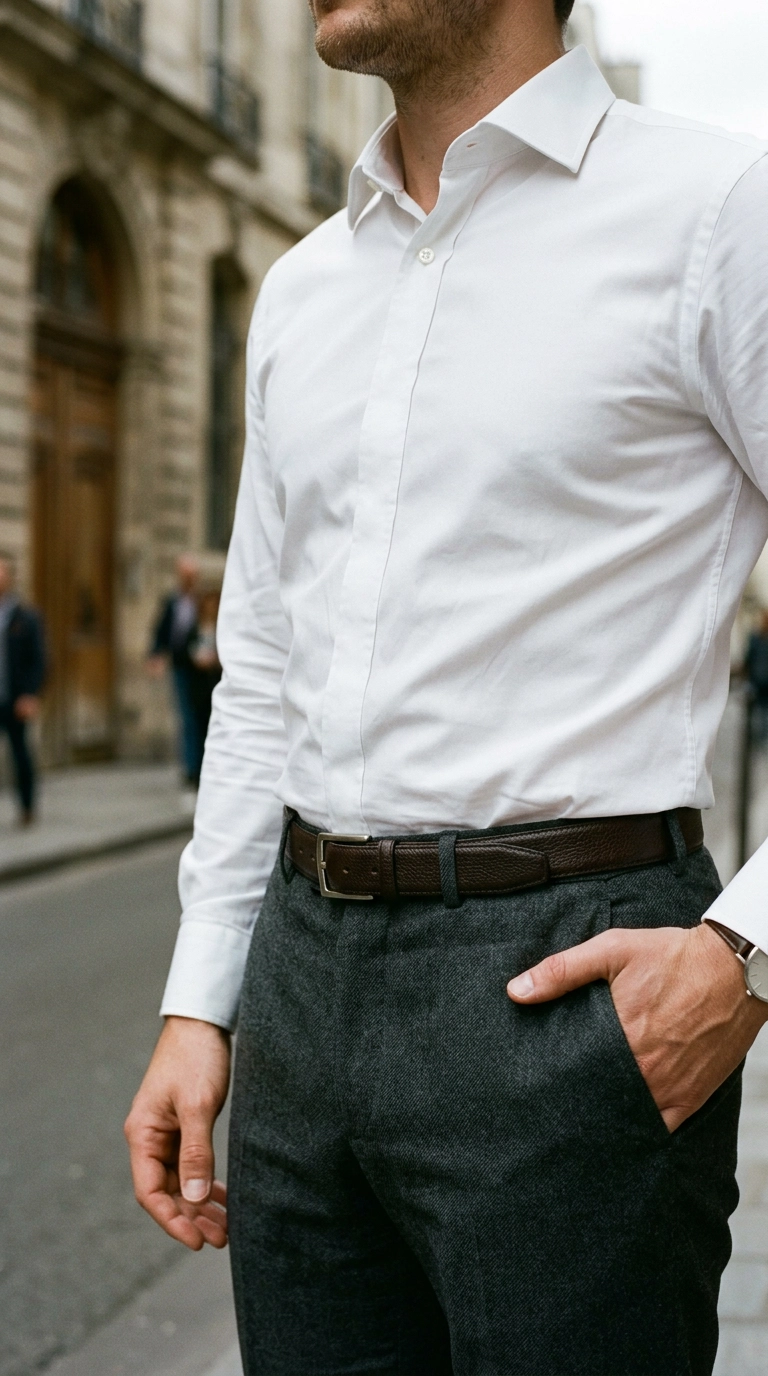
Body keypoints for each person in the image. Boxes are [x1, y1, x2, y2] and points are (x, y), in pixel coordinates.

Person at [125, 4, 768, 1373]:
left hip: (563, 982)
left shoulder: (715, 211)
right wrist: (202, 1002)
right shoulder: (300, 287)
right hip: (299, 997)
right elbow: (265, 671)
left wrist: (748, 957)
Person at [147, 555, 202, 786]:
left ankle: (199, 766)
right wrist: (156, 656)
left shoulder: (202, 602)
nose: (187, 580)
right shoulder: (172, 602)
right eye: (184, 576)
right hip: (181, 666)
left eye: (191, 576)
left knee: (201, 717)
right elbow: (161, 632)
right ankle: (190, 767)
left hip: (201, 670)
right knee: (187, 717)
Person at [0, 557, 45, 825]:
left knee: (20, 753)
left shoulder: (26, 617)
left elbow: (38, 659)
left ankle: (27, 806)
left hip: (13, 697)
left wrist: (30, 694)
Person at [185, 587, 222, 763]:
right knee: (198, 727)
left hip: (215, 681)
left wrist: (215, 661)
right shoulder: (195, 628)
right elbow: (187, 650)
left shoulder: (222, 628)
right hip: (199, 684)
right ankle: (195, 769)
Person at [745, 610, 768, 744]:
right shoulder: (755, 639)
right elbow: (749, 659)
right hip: (756, 682)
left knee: (764, 714)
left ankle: (762, 740)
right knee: (755, 715)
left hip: (765, 684)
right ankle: (756, 741)